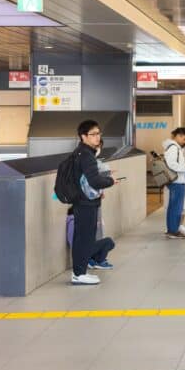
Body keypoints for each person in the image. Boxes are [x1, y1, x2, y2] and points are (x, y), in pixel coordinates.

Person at [71, 119, 117, 285]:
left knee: (82, 238)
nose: (97, 137)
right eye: (93, 134)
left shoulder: (81, 152)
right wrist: (111, 181)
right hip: (86, 204)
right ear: (84, 136)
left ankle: (79, 271)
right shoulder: (87, 156)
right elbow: (95, 181)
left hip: (81, 202)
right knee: (85, 238)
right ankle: (79, 273)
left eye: (99, 133)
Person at [66, 206, 115, 270]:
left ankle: (94, 260)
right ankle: (98, 261)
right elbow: (72, 240)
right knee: (109, 241)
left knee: (109, 243)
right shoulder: (73, 223)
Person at [162, 127, 185, 239]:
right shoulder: (173, 148)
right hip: (177, 181)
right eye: (181, 135)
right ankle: (173, 231)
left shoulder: (174, 147)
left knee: (174, 207)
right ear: (175, 136)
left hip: (177, 180)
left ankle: (172, 229)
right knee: (176, 207)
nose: (184, 138)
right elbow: (171, 164)